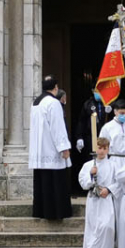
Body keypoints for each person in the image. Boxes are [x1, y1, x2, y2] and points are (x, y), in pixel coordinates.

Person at [29, 76, 73, 220]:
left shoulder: (36, 102)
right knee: (55, 182)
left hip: (39, 150)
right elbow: (57, 127)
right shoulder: (53, 103)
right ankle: (57, 212)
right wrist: (64, 147)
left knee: (43, 183)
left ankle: (42, 211)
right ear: (55, 87)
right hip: (51, 149)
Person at [78, 136, 118, 248]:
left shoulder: (113, 165)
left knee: (106, 226)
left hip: (106, 200)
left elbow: (119, 182)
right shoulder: (88, 165)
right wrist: (91, 174)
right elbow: (82, 182)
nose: (101, 151)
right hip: (93, 200)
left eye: (104, 148)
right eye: (99, 148)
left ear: (108, 149)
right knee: (93, 227)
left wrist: (109, 189)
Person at [74, 85, 112, 176]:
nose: (98, 93)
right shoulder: (88, 104)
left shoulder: (109, 103)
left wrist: (111, 112)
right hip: (91, 137)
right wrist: (79, 137)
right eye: (96, 90)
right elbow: (81, 121)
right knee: (91, 159)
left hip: (106, 138)